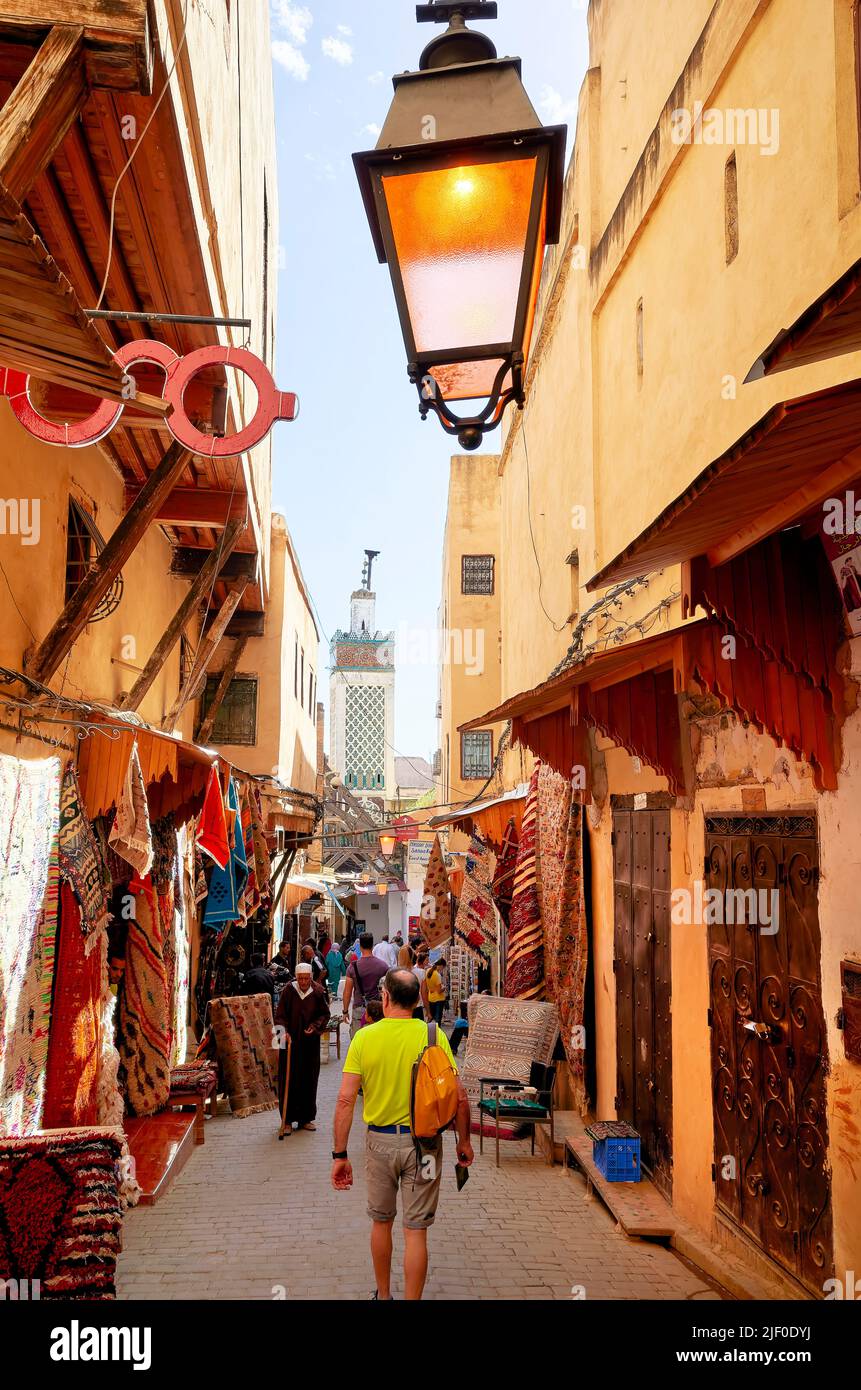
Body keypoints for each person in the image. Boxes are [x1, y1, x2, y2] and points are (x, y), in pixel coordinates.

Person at [331, 969, 474, 1301]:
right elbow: (460, 1096)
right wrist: (464, 1143)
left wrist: (340, 1155)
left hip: (379, 1145)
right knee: (416, 1231)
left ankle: (383, 1295)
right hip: (424, 1147)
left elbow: (344, 1100)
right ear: (418, 1000)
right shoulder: (433, 1037)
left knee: (381, 1223)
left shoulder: (364, 1037)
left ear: (385, 997)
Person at [274, 961, 330, 1133]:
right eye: (301, 979)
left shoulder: (318, 991)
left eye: (306, 979)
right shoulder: (289, 991)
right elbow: (280, 1016)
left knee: (309, 1080)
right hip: (291, 1045)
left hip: (309, 1044)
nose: (304, 982)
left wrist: (314, 1026)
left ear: (311, 977)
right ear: (296, 978)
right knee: (288, 1081)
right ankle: (288, 1120)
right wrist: (283, 1034)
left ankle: (306, 1118)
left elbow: (324, 1014)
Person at [342, 932, 388, 1039]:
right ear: (372, 946)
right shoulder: (383, 966)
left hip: (359, 1009)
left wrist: (345, 1011)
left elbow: (347, 991)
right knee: (377, 1042)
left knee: (358, 1042)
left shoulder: (353, 967)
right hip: (378, 1009)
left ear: (360, 946)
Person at [425, 959, 446, 1024]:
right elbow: (439, 991)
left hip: (430, 997)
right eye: (443, 967)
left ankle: (428, 1030)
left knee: (430, 1017)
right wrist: (444, 987)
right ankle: (437, 1032)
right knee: (438, 1019)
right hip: (439, 999)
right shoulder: (437, 975)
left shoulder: (428, 971)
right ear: (441, 966)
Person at [412, 948, 430, 1021]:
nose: (428, 962)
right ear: (422, 960)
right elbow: (424, 993)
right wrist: (428, 1011)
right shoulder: (421, 972)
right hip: (418, 1004)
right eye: (427, 960)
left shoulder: (424, 969)